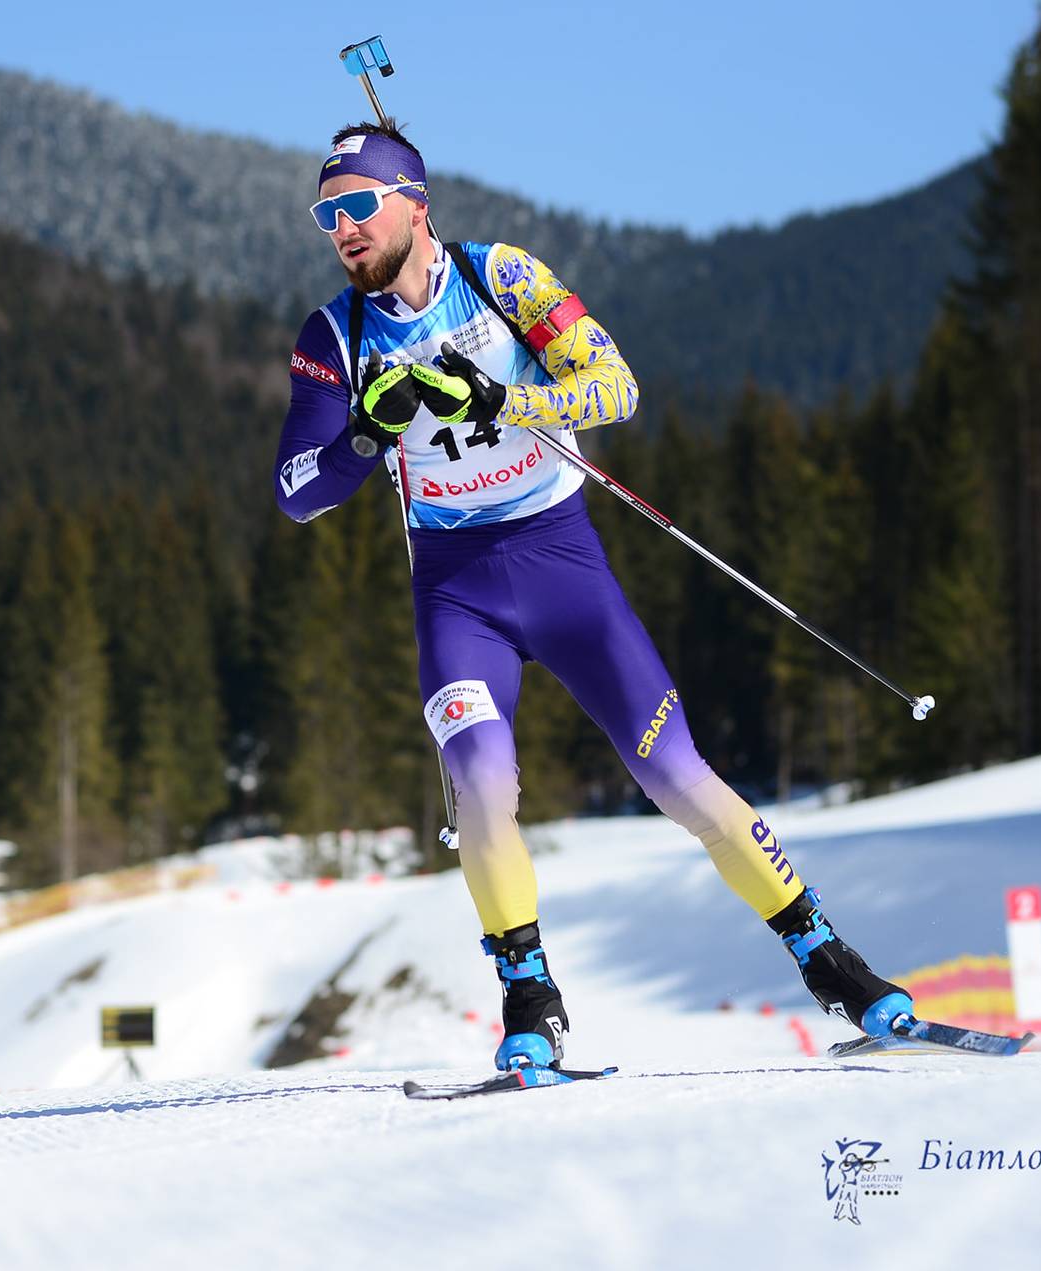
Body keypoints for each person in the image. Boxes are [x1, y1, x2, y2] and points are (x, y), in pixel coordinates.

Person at [273, 121, 913, 1072]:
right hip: (456, 591)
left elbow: (616, 386)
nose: (343, 229)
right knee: (481, 784)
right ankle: (530, 1002)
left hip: (560, 563)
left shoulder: (503, 278)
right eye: (326, 214)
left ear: (415, 201)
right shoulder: (335, 336)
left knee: (677, 775)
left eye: (359, 204)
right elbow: (296, 492)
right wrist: (366, 432)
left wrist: (505, 400)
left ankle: (831, 961)